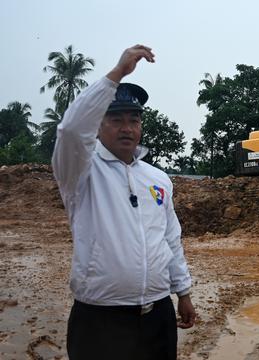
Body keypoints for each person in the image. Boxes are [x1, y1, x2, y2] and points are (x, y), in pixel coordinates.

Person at [52, 45, 196, 360]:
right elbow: (71, 130)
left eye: (134, 120)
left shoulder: (158, 179)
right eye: (116, 119)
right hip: (100, 318)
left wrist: (182, 293)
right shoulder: (81, 171)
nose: (127, 127)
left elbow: (170, 238)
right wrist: (117, 74)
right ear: (99, 125)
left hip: (157, 314)